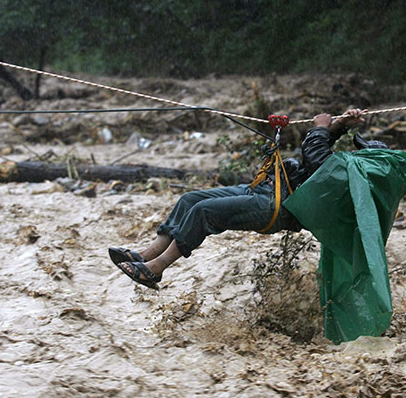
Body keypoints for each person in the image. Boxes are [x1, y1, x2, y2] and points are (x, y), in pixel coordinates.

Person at [109, 108, 385, 289]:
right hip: (270, 190)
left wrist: (322, 128)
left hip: (278, 208)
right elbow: (317, 162)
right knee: (190, 199)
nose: (355, 153)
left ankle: (156, 268)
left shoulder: (354, 181)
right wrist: (338, 127)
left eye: (361, 152)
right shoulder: (354, 172)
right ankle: (146, 254)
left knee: (204, 212)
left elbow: (317, 159)